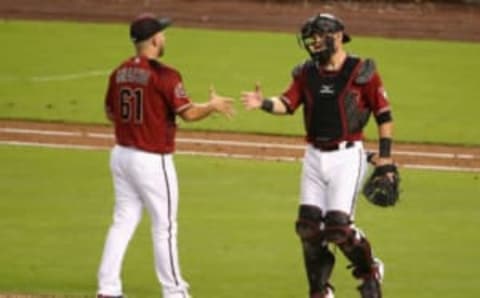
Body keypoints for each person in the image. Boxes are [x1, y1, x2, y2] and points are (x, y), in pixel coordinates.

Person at [241, 13, 394, 298]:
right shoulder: (306, 72)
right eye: (311, 39)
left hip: (347, 157)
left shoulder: (362, 71)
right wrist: (261, 102)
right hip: (313, 156)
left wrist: (385, 160)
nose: (313, 45)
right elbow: (287, 103)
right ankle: (319, 291)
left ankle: (369, 271)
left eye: (319, 37)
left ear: (336, 36)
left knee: (338, 228)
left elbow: (384, 115)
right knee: (308, 227)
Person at [97, 13, 234, 298]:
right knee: (165, 227)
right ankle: (174, 291)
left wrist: (140, 121)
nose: (165, 37)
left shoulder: (119, 71)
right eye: (162, 34)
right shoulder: (165, 75)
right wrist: (212, 105)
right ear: (154, 40)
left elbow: (110, 112)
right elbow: (190, 113)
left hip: (121, 155)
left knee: (122, 221)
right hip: (152, 161)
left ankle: (108, 289)